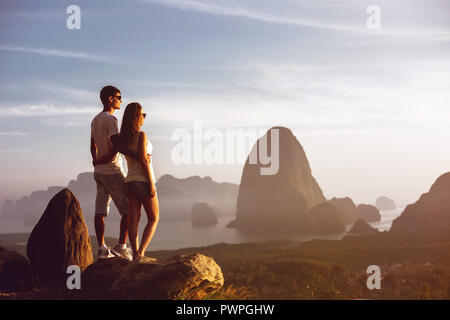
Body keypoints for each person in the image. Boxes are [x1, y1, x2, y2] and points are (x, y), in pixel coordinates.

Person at [90, 85, 133, 261]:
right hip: (113, 172)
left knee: (100, 211)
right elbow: (116, 146)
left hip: (99, 173)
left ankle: (101, 248)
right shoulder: (111, 120)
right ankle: (122, 247)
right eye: (118, 96)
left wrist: (96, 160)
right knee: (129, 211)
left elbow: (92, 144)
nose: (121, 100)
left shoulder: (95, 120)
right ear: (110, 99)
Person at [119, 102, 159, 261]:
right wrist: (151, 183)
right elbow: (143, 160)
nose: (144, 117)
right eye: (142, 114)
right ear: (136, 116)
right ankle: (141, 253)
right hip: (142, 180)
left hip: (130, 182)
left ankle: (135, 253)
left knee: (134, 218)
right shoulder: (141, 135)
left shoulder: (124, 139)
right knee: (154, 218)